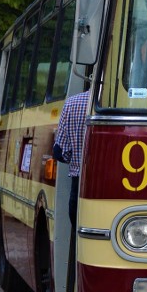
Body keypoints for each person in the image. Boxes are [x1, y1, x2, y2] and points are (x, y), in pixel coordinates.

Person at [53, 89, 90, 228]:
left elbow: (60, 151)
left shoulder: (72, 103)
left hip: (79, 183)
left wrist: (77, 158)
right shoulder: (131, 105)